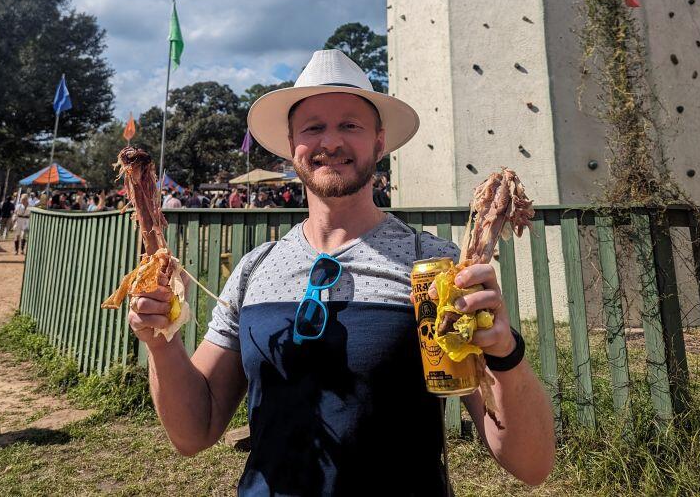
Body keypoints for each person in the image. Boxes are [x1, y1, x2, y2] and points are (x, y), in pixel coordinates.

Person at [130, 49, 555, 494]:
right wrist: (162, 342)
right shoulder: (256, 268)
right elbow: (193, 431)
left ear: (378, 142)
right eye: (313, 127)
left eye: (350, 125)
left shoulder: (433, 267)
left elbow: (529, 464)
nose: (330, 142)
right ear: (291, 146)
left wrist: (504, 352)